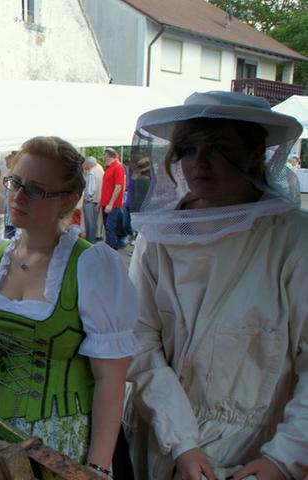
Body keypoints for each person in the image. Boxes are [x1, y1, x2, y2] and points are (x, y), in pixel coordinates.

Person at [125, 91, 307, 480]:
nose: (199, 164)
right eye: (188, 150)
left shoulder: (293, 239)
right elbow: (139, 339)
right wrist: (181, 441)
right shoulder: (157, 237)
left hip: (260, 450)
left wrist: (284, 457)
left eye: (219, 148)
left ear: (255, 152)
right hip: (165, 439)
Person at [0, 136, 139, 478]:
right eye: (17, 183)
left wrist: (98, 467)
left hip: (61, 437)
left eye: (38, 190)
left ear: (69, 200)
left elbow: (111, 378)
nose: (18, 196)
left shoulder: (91, 266)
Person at [99, 147, 126, 249]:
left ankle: (111, 250)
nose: (103, 158)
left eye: (104, 155)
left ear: (108, 156)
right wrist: (100, 203)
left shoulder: (118, 167)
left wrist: (110, 204)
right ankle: (109, 248)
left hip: (113, 205)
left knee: (110, 228)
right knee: (107, 227)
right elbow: (107, 187)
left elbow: (118, 186)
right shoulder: (109, 168)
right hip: (106, 204)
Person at [81, 157, 102, 241]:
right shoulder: (100, 169)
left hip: (91, 201)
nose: (84, 166)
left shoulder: (91, 173)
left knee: (89, 224)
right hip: (98, 200)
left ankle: (90, 242)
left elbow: (90, 190)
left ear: (89, 164)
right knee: (94, 223)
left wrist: (85, 200)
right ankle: (93, 241)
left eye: (85, 164)